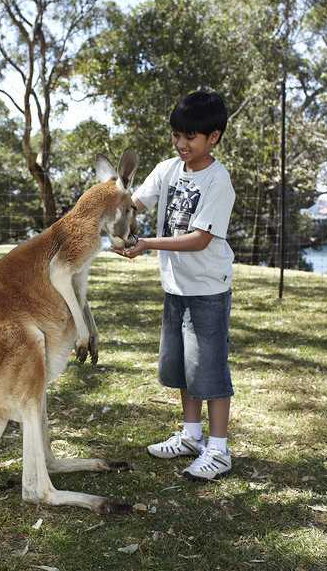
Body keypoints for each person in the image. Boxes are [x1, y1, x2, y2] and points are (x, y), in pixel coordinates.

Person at [117, 90, 236, 481]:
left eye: (190, 137)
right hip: (176, 286)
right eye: (176, 136)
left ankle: (218, 450)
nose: (181, 144)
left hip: (207, 288)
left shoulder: (218, 181)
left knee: (210, 372)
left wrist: (147, 243)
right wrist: (113, 201)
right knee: (185, 369)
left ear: (213, 137)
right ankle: (190, 435)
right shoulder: (168, 169)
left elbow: (200, 238)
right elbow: (136, 202)